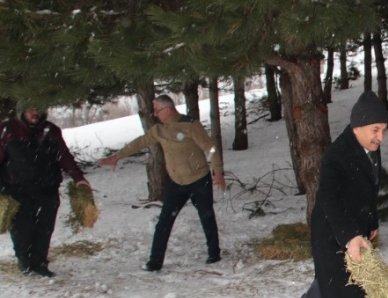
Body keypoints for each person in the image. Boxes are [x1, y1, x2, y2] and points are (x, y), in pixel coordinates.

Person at [283, 91, 388, 298]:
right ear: (358, 126)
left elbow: (367, 193)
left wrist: (371, 222)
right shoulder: (336, 156)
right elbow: (330, 200)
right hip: (332, 232)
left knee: (330, 280)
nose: (380, 137)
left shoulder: (368, 147)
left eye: (383, 130)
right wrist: (350, 236)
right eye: (375, 130)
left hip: (355, 230)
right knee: (353, 292)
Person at [97, 95, 225, 271]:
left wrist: (217, 172)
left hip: (198, 180)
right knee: (164, 221)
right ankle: (155, 262)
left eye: (157, 111)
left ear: (169, 109)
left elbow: (210, 148)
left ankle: (214, 253)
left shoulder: (190, 125)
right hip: (176, 183)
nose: (155, 115)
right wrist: (116, 157)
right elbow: (140, 143)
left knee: (206, 216)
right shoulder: (159, 130)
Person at [0, 105, 90, 277]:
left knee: (45, 228)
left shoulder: (51, 130)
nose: (35, 113)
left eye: (38, 109)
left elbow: (63, 156)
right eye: (31, 109)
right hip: (17, 190)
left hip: (47, 188)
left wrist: (78, 178)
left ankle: (40, 263)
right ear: (22, 111)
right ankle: (25, 262)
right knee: (22, 229)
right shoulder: (7, 130)